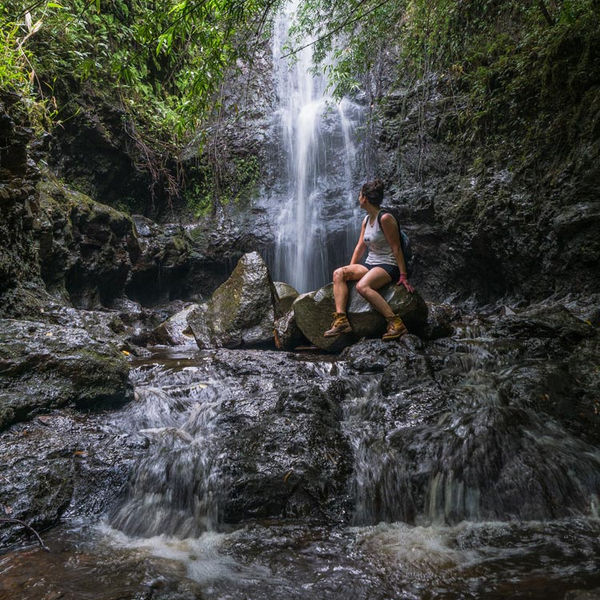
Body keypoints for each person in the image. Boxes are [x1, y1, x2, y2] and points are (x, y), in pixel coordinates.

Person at [323, 178, 414, 340]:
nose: (358, 198)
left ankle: (396, 323)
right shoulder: (366, 219)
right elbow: (360, 247)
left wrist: (403, 276)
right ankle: (341, 321)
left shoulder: (385, 219)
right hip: (370, 263)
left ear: (364, 198)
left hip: (388, 264)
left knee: (362, 286)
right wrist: (349, 270)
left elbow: (396, 248)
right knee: (339, 274)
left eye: (359, 195)